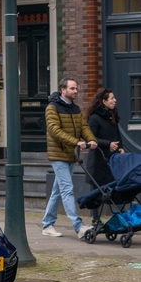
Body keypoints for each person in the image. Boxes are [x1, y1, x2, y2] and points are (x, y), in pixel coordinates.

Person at [42, 77, 98, 239]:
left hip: (71, 155)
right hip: (58, 154)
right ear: (63, 90)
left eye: (76, 89)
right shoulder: (52, 108)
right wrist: (77, 142)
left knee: (58, 191)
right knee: (67, 189)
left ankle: (47, 224)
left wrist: (91, 139)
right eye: (72, 88)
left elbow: (83, 127)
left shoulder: (75, 108)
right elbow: (54, 131)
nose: (75, 91)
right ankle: (78, 226)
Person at [84, 88, 125, 226]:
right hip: (98, 161)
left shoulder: (112, 115)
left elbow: (117, 136)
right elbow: (90, 138)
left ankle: (120, 218)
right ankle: (96, 221)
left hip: (113, 161)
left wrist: (120, 149)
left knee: (118, 189)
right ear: (104, 101)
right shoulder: (94, 118)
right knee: (96, 193)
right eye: (112, 98)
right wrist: (108, 144)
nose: (115, 100)